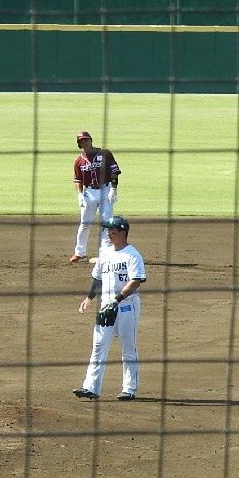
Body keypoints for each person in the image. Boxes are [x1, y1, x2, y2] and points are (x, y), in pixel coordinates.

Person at [73, 216, 146, 402]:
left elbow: (135, 281)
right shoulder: (104, 253)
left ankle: (129, 389)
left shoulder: (132, 255)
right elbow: (97, 278)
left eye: (112, 230)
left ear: (122, 232)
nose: (108, 233)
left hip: (127, 306)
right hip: (106, 306)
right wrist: (89, 297)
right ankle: (91, 387)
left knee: (128, 347)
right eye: (107, 230)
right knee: (98, 345)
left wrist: (117, 300)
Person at [71, 130, 121, 264]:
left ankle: (106, 253)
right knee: (85, 223)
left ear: (91, 140)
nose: (84, 142)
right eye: (82, 141)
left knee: (106, 222)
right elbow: (77, 180)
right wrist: (80, 194)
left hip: (105, 190)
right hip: (89, 193)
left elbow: (114, 172)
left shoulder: (105, 154)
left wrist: (114, 189)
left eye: (86, 140)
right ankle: (79, 253)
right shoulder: (79, 161)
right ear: (79, 144)